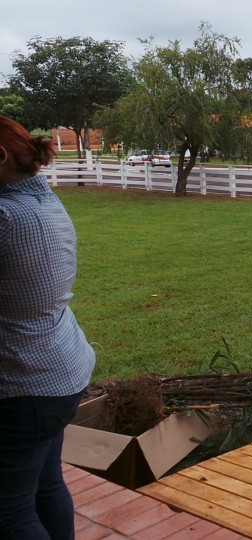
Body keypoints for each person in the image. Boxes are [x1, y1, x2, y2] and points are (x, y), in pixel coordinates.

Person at [0, 116, 96, 539]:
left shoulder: (5, 214)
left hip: (23, 384)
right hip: (61, 368)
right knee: (45, 484)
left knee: (8, 514)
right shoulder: (43, 199)